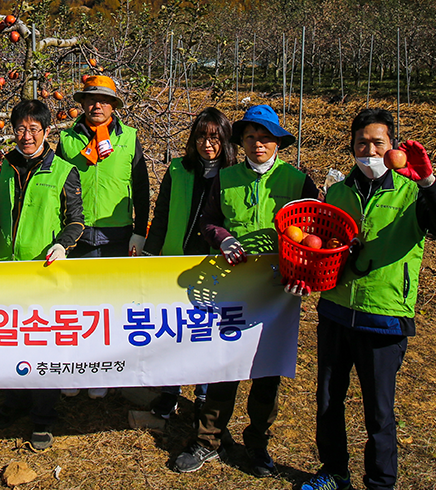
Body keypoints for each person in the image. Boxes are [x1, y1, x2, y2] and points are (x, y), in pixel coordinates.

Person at [173, 104, 319, 478]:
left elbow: (317, 234)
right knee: (224, 363)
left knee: (266, 371)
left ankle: (257, 445)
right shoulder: (227, 177)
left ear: (278, 143)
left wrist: (304, 269)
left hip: (276, 291)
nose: (258, 144)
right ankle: (207, 439)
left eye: (266, 137)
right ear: (242, 141)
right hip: (231, 286)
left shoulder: (298, 181)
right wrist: (221, 238)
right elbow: (208, 221)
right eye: (251, 137)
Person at [297, 109, 436, 490]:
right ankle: (334, 471)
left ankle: (380, 482)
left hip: (385, 313)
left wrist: (427, 182)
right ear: (352, 146)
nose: (370, 150)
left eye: (378, 142)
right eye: (362, 143)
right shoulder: (339, 192)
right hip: (337, 309)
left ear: (393, 145)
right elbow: (325, 245)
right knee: (328, 399)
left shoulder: (410, 192)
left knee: (379, 410)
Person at [0, 100, 84, 450]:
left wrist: (62, 245)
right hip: (7, 269)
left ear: (47, 131)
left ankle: (43, 416)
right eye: (20, 128)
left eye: (34, 129)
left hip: (43, 271)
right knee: (10, 340)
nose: (26, 136)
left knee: (42, 343)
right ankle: (13, 401)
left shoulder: (63, 171)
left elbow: (76, 219)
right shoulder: (6, 166)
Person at [56, 75, 149, 398]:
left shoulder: (130, 139)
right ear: (81, 104)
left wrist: (140, 230)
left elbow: (140, 187)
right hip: (77, 232)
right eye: (91, 99)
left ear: (113, 106)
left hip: (116, 233)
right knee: (76, 304)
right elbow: (57, 188)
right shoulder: (67, 140)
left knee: (109, 307)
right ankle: (74, 367)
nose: (97, 105)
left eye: (104, 100)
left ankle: (102, 370)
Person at [143, 107, 237, 422]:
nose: (207, 143)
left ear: (225, 140)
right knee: (174, 330)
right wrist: (150, 252)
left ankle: (204, 393)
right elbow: (163, 213)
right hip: (175, 261)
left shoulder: (233, 175)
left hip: (212, 265)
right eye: (201, 136)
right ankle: (170, 392)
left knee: (205, 330)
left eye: (215, 137)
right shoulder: (178, 169)